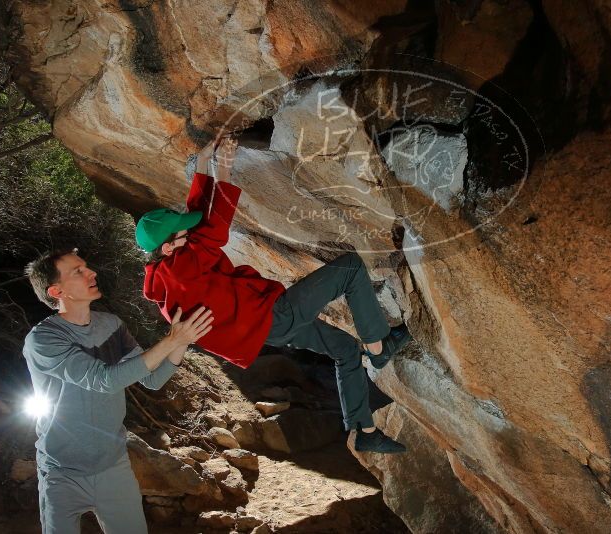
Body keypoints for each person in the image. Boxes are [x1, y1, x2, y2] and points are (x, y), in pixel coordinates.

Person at [136, 137, 411, 453]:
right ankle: (379, 348)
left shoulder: (166, 277)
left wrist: (202, 165)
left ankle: (364, 430)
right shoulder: (181, 268)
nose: (188, 231)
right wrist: (222, 166)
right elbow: (214, 227)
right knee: (349, 268)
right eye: (180, 233)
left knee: (346, 348)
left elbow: (195, 224)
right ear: (169, 248)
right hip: (273, 315)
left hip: (264, 330)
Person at [23, 249, 213, 534]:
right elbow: (105, 380)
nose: (92, 273)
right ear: (56, 290)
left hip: (113, 465)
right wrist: (171, 339)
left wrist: (183, 340)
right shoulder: (44, 340)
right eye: (78, 271)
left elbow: (153, 380)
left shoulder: (111, 325)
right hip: (62, 473)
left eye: (86, 266)